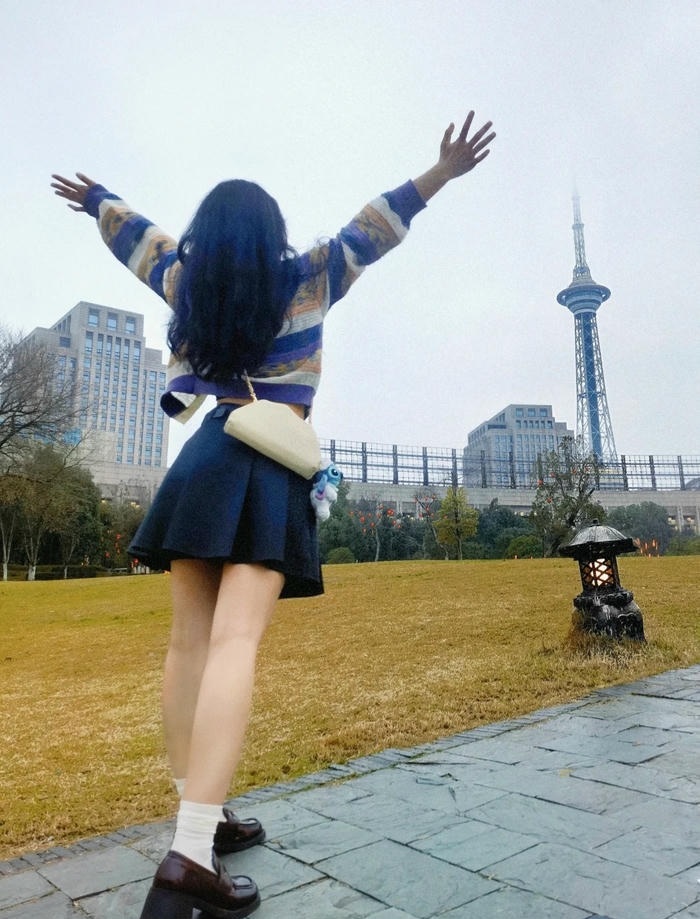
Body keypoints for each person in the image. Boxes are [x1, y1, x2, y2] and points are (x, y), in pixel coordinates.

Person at [51, 110, 495, 919]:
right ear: (273, 234)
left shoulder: (189, 282)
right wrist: (440, 173)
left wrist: (97, 201)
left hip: (203, 458)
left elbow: (140, 241)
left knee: (188, 644)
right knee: (233, 645)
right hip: (268, 458)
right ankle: (190, 852)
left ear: (208, 237)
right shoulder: (309, 277)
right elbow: (375, 225)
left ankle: (204, 815)